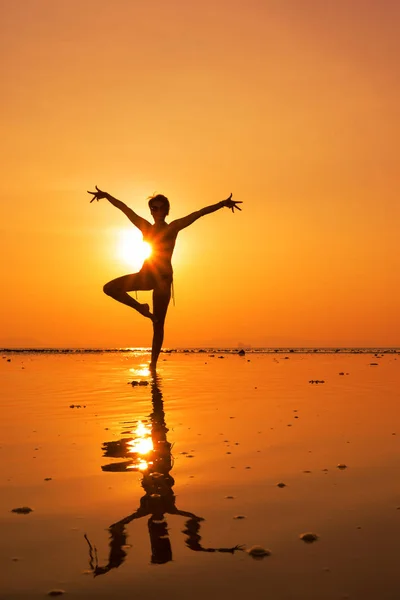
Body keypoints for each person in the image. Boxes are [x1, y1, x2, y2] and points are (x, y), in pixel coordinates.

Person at [88, 186, 242, 369]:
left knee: (158, 324)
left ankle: (152, 365)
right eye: (154, 208)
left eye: (161, 208)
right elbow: (125, 209)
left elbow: (199, 213)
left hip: (162, 279)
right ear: (151, 211)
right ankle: (141, 308)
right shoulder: (145, 226)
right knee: (109, 288)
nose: (157, 211)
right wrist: (106, 196)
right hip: (146, 274)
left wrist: (222, 204)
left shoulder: (174, 227)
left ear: (167, 210)